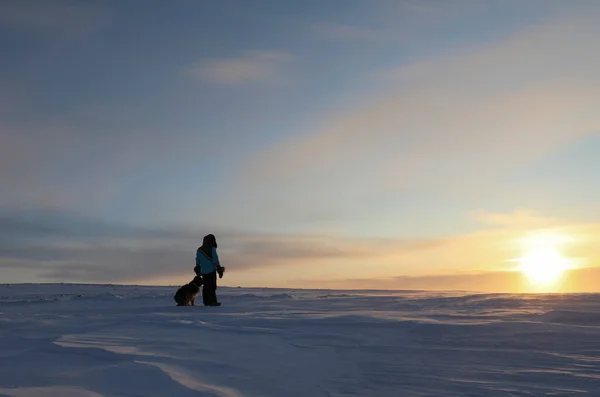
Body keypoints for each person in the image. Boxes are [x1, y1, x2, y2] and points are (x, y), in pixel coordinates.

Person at [195, 234, 225, 306]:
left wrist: (198, 270)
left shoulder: (199, 250)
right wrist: (219, 269)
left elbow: (197, 261)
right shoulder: (212, 249)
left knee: (206, 287)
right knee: (212, 287)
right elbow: (215, 259)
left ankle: (206, 302)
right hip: (211, 271)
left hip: (203, 272)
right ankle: (213, 302)